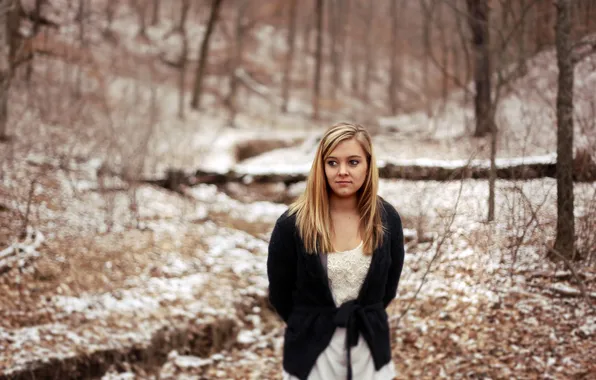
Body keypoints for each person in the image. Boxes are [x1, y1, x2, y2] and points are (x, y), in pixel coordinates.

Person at [267, 123, 405, 380]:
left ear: (368, 164)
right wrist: (312, 322)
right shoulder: (292, 224)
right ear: (321, 166)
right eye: (332, 163)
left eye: (353, 162)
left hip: (369, 349)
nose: (342, 171)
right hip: (311, 353)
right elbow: (279, 293)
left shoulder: (387, 219)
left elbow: (388, 287)